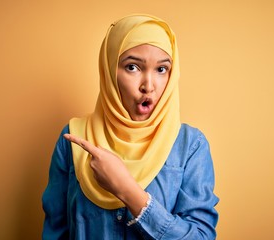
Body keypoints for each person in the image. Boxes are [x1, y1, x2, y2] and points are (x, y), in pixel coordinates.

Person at [42, 14, 219, 239]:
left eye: (161, 69)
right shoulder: (73, 138)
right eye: (133, 67)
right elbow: (55, 233)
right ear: (109, 71)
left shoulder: (190, 146)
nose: (148, 86)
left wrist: (128, 190)